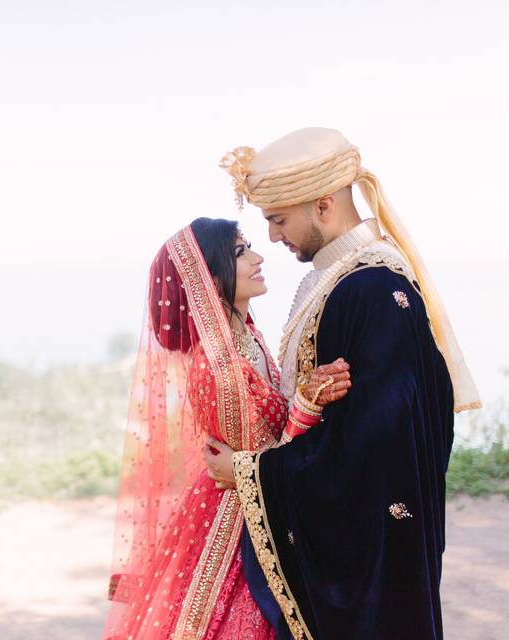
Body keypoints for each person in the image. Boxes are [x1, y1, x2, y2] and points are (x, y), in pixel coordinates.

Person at [205, 127, 481, 639]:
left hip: (370, 551)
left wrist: (251, 471)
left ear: (324, 204)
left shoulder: (372, 288)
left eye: (278, 220)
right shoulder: (336, 280)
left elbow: (374, 443)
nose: (272, 238)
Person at [103, 217, 351, 639]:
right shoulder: (216, 367)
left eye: (249, 246)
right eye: (240, 253)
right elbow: (263, 456)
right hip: (239, 519)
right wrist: (309, 402)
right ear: (208, 278)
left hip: (259, 501)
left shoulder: (247, 339)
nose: (257, 258)